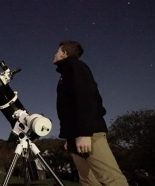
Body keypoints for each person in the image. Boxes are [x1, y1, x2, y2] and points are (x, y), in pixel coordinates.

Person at [53, 40, 129, 186]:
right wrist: (69, 138)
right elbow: (69, 108)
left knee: (113, 180)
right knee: (87, 181)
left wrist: (84, 133)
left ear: (64, 53)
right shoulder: (66, 73)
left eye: (57, 51)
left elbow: (86, 98)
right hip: (76, 136)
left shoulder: (75, 67)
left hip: (89, 135)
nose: (54, 54)